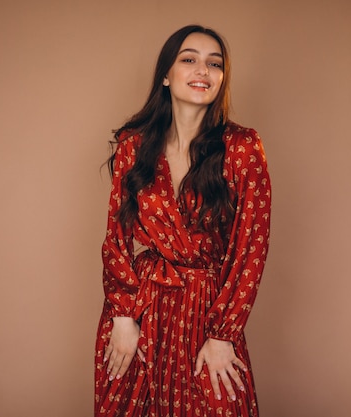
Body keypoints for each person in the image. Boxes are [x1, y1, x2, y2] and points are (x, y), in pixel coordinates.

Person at [94, 24, 271, 416]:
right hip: (142, 307)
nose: (203, 71)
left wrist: (223, 334)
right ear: (166, 75)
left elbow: (251, 248)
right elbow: (116, 235)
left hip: (208, 311)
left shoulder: (241, 148)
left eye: (214, 64)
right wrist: (123, 315)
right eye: (189, 60)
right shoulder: (133, 145)